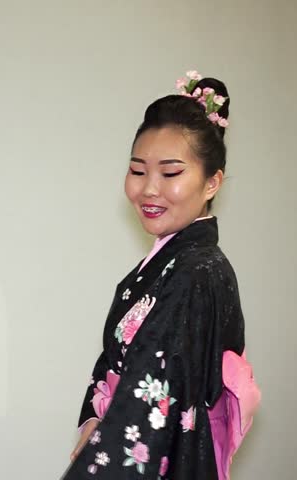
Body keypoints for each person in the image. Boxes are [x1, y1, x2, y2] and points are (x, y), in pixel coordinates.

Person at [62, 71, 259, 479]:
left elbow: (149, 401)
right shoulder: (168, 265)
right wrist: (96, 419)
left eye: (170, 174)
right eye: (137, 171)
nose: (149, 189)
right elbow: (114, 366)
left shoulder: (196, 273)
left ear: (212, 182)